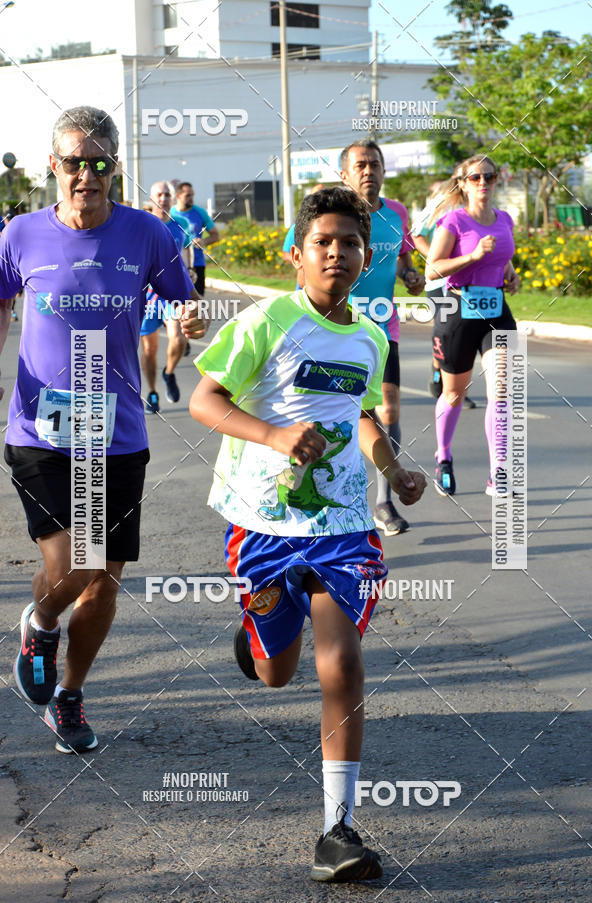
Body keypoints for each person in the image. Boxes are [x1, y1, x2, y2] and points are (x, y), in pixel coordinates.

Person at [190, 187, 426, 882]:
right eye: (322, 241)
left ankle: (337, 831)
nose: (336, 253)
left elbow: (360, 414)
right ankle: (259, 633)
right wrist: (274, 435)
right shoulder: (266, 322)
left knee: (342, 663)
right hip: (264, 523)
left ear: (365, 257)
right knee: (275, 671)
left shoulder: (370, 338)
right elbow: (205, 398)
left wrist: (392, 466)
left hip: (343, 526)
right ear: (296, 254)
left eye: (350, 243)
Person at [0, 106, 207, 754]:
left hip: (113, 429)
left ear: (114, 167)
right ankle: (41, 620)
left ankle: (69, 694)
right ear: (53, 167)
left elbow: (181, 297)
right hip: (40, 426)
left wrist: (187, 320)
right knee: (76, 561)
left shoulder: (147, 233)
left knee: (103, 577)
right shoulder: (20, 234)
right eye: (73, 162)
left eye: (98, 163)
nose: (85, 175)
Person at [340, 139, 425, 537]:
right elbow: (300, 261)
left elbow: (404, 257)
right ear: (344, 174)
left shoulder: (396, 213)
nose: (368, 171)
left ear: (383, 171)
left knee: (387, 412)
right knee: (344, 414)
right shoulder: (334, 214)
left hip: (381, 328)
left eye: (374, 164)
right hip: (339, 327)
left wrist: (410, 276)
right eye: (360, 165)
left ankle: (383, 501)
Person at [425, 154, 520, 497]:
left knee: (502, 390)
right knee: (454, 394)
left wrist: (511, 275)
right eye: (475, 177)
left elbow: (502, 258)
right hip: (459, 312)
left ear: (497, 181)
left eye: (489, 177)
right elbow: (432, 270)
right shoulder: (454, 221)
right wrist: (473, 256)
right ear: (463, 184)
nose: (483, 183)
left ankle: (498, 472)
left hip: (496, 311)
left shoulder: (504, 219)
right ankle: (443, 456)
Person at [412, 181, 476, 409]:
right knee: (448, 335)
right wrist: (436, 257)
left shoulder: (474, 207)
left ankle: (456, 389)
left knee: (465, 337)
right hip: (439, 283)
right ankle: (439, 374)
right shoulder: (439, 205)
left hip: (467, 283)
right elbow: (416, 235)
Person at [140, 181, 193, 412]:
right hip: (148, 296)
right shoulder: (142, 225)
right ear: (151, 199)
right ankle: (152, 393)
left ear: (173, 199)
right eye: (159, 195)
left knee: (179, 338)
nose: (163, 198)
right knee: (149, 350)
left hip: (172, 293)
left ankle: (169, 372)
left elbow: (186, 250)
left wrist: (189, 270)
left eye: (167, 194)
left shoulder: (181, 224)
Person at [171, 181, 219, 296]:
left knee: (197, 302)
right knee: (176, 301)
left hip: (197, 264)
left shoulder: (200, 212)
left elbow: (215, 235)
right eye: (188, 195)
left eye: (192, 195)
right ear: (178, 196)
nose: (191, 198)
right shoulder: (170, 213)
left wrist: (203, 241)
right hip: (175, 265)